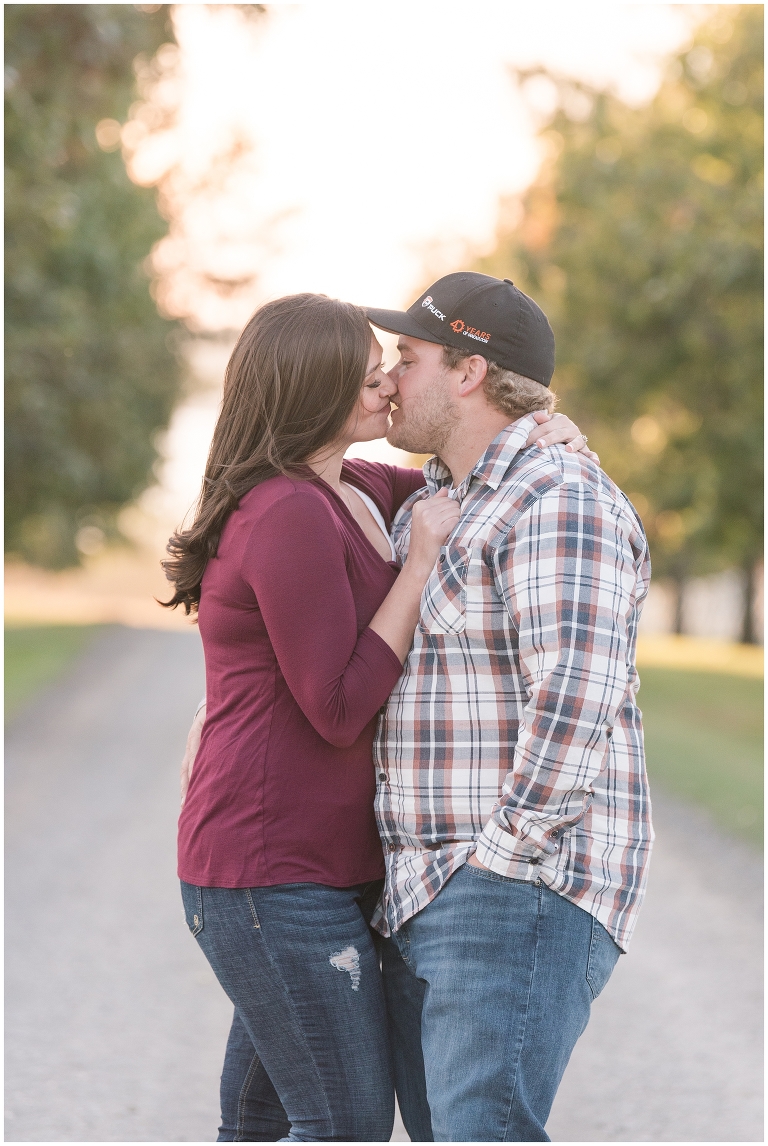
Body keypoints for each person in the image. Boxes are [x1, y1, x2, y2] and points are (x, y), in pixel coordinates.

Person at [165, 290, 592, 1143]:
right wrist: (417, 566)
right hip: (272, 869)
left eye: (389, 370)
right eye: (369, 379)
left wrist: (552, 431)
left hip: (321, 867)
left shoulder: (357, 486)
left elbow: (471, 473)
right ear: (315, 392)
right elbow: (335, 707)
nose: (389, 387)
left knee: (262, 1120)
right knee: (344, 1121)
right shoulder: (287, 510)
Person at [362, 271, 654, 1143]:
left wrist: (500, 862)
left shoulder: (559, 496)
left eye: (407, 357)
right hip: (426, 890)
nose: (389, 379)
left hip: (507, 888)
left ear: (468, 371)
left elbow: (578, 691)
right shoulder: (434, 503)